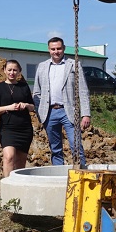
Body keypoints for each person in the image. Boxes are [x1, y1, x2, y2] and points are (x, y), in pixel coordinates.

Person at [32, 37, 91, 167]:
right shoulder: (42, 67)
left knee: (75, 146)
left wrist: (86, 114)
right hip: (49, 113)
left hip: (68, 112)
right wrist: (39, 111)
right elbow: (36, 92)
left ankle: (80, 174)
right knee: (55, 149)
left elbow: (83, 90)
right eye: (53, 49)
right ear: (49, 50)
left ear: (64, 48)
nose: (56, 51)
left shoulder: (73, 64)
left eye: (59, 48)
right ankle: (59, 177)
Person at [0, 59, 35, 177]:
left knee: (20, 161)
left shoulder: (24, 86)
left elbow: (32, 106)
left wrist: (26, 105)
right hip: (8, 128)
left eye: (15, 70)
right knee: (9, 157)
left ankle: (18, 189)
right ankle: (7, 188)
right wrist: (8, 107)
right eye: (9, 70)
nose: (12, 72)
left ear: (19, 71)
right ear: (4, 70)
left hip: (24, 128)